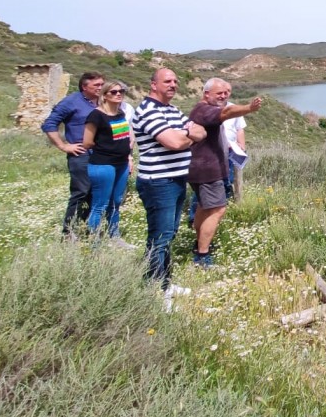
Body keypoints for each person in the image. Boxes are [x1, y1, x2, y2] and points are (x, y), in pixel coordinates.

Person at [131, 68, 206, 298]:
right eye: (167, 81)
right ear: (154, 84)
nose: (173, 84)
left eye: (175, 81)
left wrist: (188, 134)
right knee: (159, 238)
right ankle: (155, 291)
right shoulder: (147, 111)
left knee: (168, 235)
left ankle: (164, 282)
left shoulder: (172, 110)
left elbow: (201, 133)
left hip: (176, 179)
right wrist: (188, 135)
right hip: (158, 181)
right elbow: (173, 142)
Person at [188, 79, 262, 267]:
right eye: (218, 93)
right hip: (208, 170)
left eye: (226, 93)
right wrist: (249, 108)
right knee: (217, 209)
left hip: (201, 168)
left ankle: (198, 245)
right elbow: (227, 112)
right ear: (206, 94)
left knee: (203, 208)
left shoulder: (201, 109)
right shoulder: (205, 110)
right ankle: (203, 255)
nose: (223, 96)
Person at [41, 71, 104, 237]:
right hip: (81, 155)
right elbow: (49, 124)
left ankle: (88, 230)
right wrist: (64, 146)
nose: (100, 88)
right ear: (84, 86)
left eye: (101, 84)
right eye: (96, 85)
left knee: (97, 193)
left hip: (102, 155)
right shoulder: (71, 101)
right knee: (81, 192)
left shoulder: (102, 101)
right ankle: (69, 233)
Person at [81, 79, 135, 246]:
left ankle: (114, 236)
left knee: (115, 202)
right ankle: (94, 242)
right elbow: (87, 141)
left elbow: (126, 137)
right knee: (100, 204)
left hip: (121, 164)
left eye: (121, 91)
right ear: (104, 95)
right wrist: (107, 148)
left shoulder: (120, 114)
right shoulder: (96, 115)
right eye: (113, 92)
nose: (118, 94)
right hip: (103, 165)